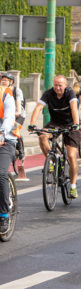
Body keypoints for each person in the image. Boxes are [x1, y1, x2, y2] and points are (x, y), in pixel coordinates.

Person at [29, 75, 81, 198]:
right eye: (55, 85)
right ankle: (52, 160)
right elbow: (38, 107)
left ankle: (73, 187)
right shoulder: (48, 93)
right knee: (42, 136)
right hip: (55, 123)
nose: (58, 88)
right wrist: (32, 124)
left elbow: (74, 108)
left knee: (71, 155)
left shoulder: (70, 93)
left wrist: (76, 124)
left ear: (65, 85)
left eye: (60, 85)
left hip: (70, 124)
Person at [0, 86, 20, 232]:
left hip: (6, 141)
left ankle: (4, 214)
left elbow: (9, 118)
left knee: (0, 174)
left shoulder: (6, 94)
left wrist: (1, 133)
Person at [1, 73, 25, 160]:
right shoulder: (1, 91)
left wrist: (12, 113)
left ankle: (20, 149)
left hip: (18, 115)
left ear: (11, 82)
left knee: (14, 128)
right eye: (2, 80)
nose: (3, 82)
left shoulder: (17, 91)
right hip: (5, 114)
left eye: (5, 80)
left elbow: (18, 109)